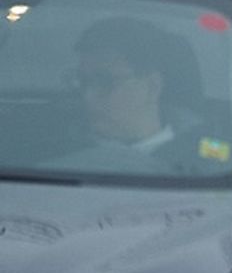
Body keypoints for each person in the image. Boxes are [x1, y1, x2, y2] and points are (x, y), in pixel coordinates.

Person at [61, 18, 211, 174]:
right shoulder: (55, 148)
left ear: (153, 87)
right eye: (82, 81)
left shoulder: (213, 161)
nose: (88, 96)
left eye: (106, 82)